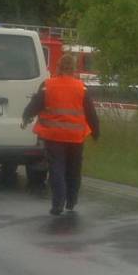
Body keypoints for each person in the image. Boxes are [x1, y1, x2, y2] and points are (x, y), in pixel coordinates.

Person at [22, 55, 100, 215]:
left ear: (58, 66)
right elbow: (91, 113)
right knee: (74, 168)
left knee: (56, 168)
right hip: (76, 137)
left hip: (54, 136)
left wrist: (26, 116)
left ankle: (58, 203)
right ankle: (71, 201)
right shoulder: (81, 88)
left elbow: (35, 105)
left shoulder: (48, 85)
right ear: (73, 68)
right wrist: (96, 132)